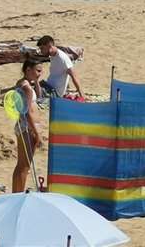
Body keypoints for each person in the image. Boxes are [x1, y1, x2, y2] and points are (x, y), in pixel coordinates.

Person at [11, 59, 43, 193]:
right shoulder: (26, 88)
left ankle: (16, 193)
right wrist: (37, 133)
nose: (40, 74)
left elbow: (40, 96)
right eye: (38, 71)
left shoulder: (21, 83)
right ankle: (17, 194)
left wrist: (36, 82)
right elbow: (28, 111)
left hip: (23, 125)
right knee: (25, 166)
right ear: (28, 70)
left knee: (21, 165)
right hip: (28, 126)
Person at [35, 35, 84, 99]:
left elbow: (73, 75)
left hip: (54, 92)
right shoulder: (53, 56)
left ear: (49, 45)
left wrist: (81, 94)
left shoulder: (62, 58)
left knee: (30, 92)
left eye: (42, 48)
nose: (41, 51)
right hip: (48, 86)